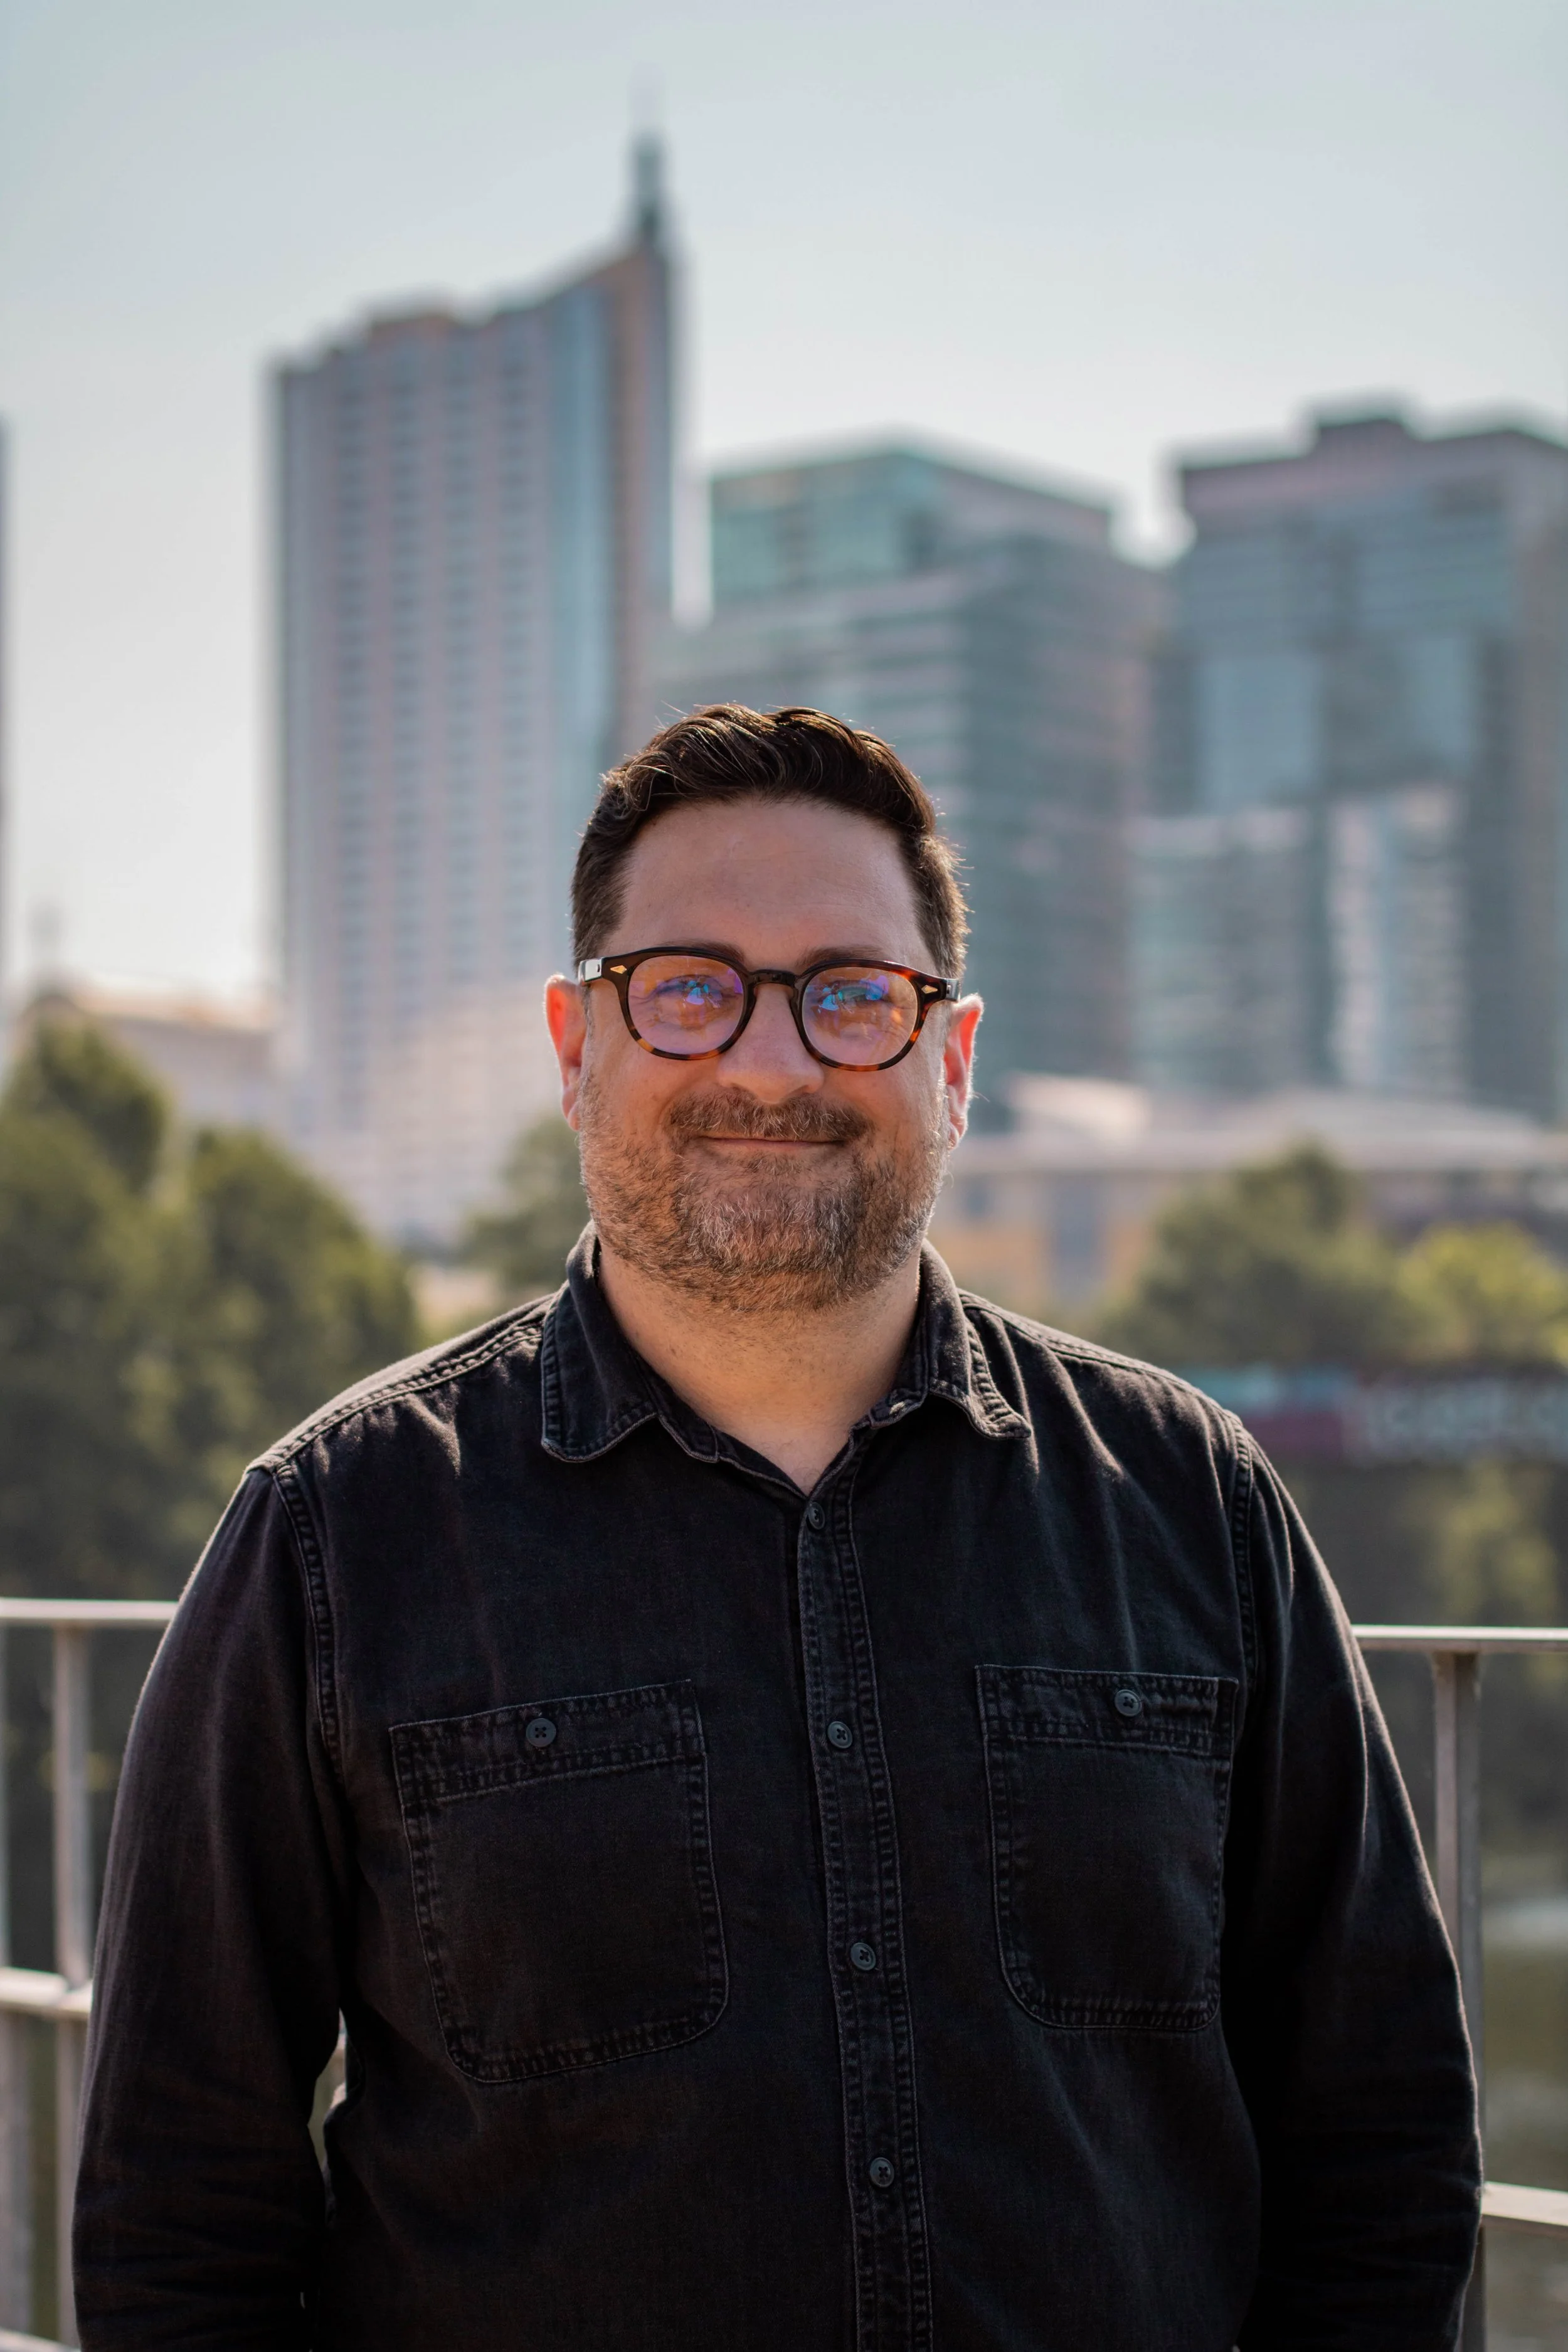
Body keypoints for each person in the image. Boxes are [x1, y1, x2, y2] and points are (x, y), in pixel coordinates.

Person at [76, 704, 1479, 2349]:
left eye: (849, 995)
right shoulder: (332, 1539)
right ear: (573, 1044)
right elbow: (180, 2199)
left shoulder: (1193, 1501)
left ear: (946, 1059)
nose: (768, 1061)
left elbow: (1377, 2121)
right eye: (687, 987)